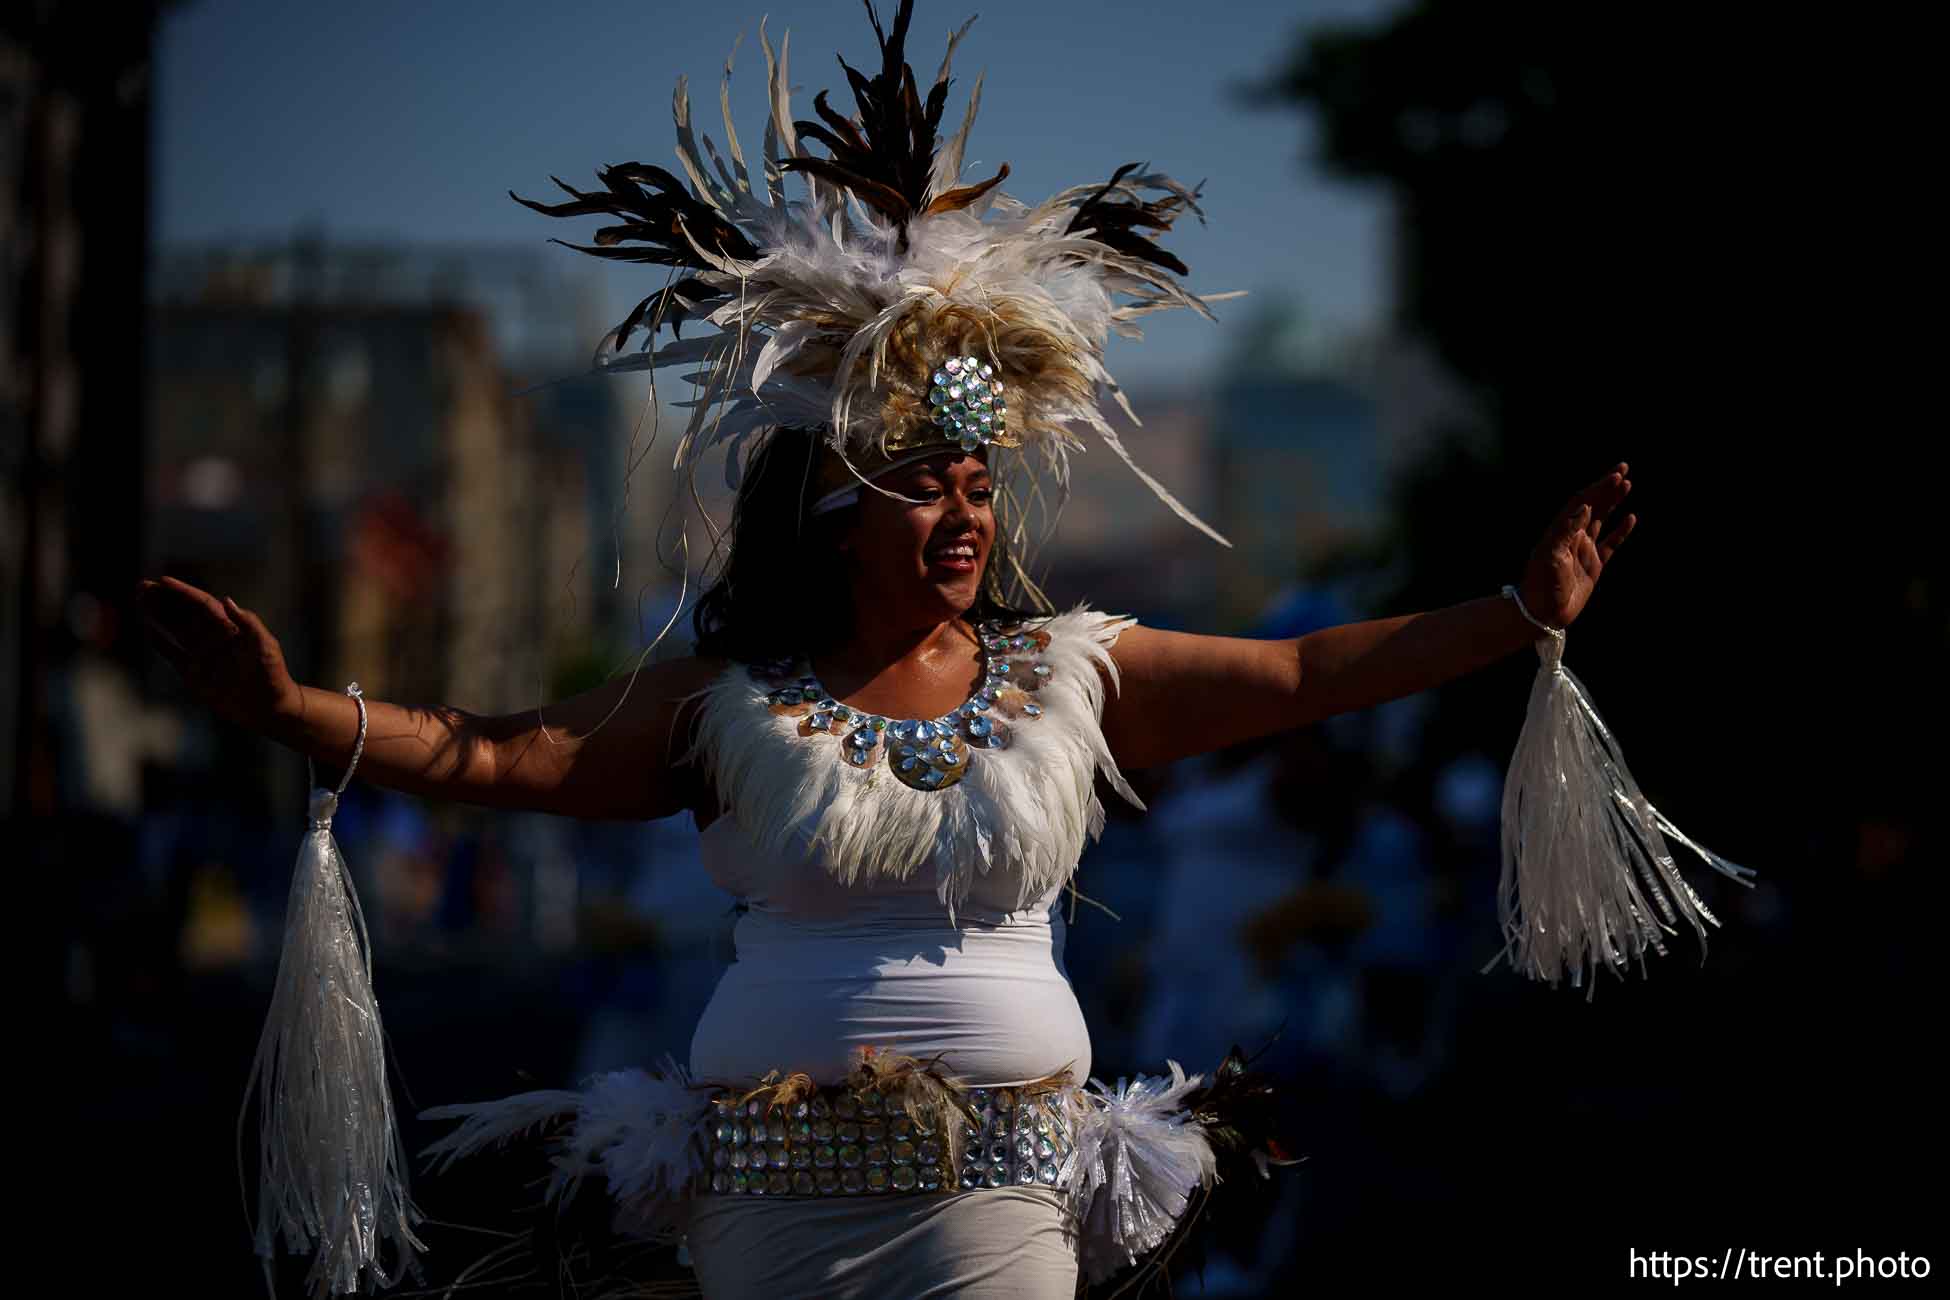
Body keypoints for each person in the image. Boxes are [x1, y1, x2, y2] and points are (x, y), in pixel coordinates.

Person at [135, 5, 1746, 1297]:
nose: (965, 515)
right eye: (924, 487)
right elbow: (506, 753)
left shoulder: (1075, 676)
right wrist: (295, 709)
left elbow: (1308, 673)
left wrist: (1516, 615)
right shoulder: (725, 706)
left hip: (1007, 1223)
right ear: (830, 511)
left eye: (979, 484)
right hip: (767, 1229)